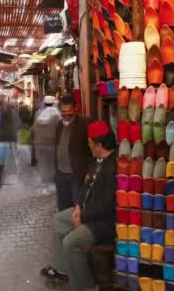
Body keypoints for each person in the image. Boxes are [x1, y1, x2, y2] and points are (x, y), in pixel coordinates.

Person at [40, 121, 116, 291]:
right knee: (59, 220)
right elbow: (85, 187)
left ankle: (87, 286)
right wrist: (78, 206)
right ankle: (63, 269)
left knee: (71, 242)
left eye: (90, 143)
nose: (88, 146)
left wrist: (83, 216)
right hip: (87, 212)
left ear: (100, 145)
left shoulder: (112, 168)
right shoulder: (96, 161)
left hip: (103, 224)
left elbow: (106, 205)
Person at [54, 94, 93, 211]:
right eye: (63, 112)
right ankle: (66, 229)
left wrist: (90, 171)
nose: (66, 115)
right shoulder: (59, 124)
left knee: (78, 207)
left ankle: (76, 229)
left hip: (77, 175)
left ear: (76, 108)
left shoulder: (86, 123)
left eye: (69, 111)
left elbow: (95, 150)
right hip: (60, 174)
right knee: (63, 207)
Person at [33, 95, 62, 195]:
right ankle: (51, 185)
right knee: (52, 165)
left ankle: (44, 186)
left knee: (43, 165)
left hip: (40, 144)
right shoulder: (57, 114)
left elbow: (34, 128)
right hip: (52, 144)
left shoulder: (38, 113)